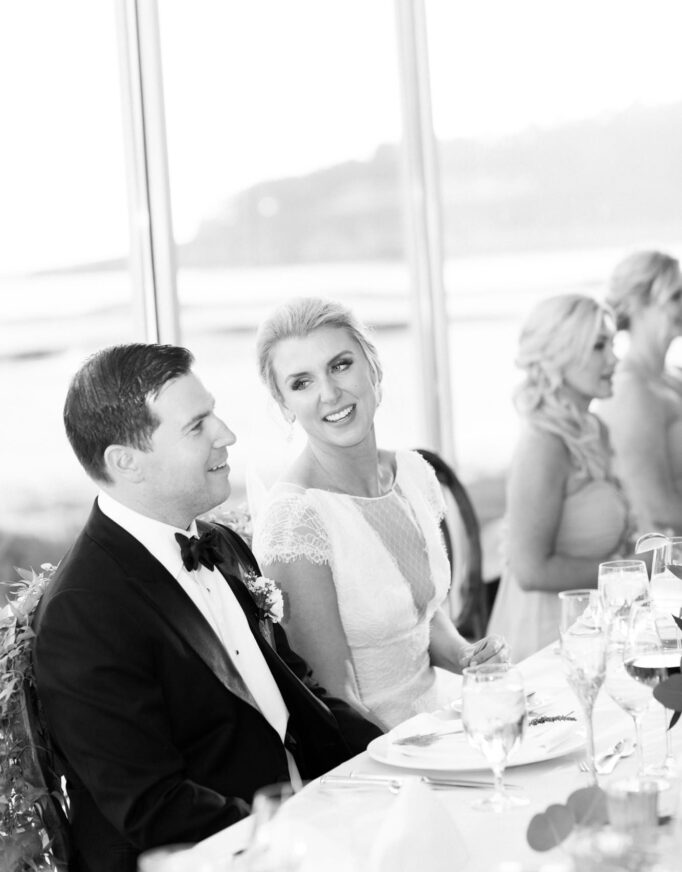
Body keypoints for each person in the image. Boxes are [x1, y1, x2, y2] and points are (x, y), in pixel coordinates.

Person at [32, 344, 380, 872]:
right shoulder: (84, 612)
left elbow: (297, 690)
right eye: (197, 426)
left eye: (213, 412)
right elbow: (152, 806)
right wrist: (304, 832)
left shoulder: (218, 543)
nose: (227, 434)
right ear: (126, 462)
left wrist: (394, 760)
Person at [252, 296, 506, 731]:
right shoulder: (297, 520)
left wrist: (465, 657)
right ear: (284, 406)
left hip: (444, 719)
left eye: (340, 365)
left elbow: (417, 616)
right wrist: (429, 755)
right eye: (301, 383)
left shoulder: (412, 474)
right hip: (376, 755)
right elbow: (334, 701)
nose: (329, 394)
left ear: (374, 367)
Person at [487, 294, 633, 661]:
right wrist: (629, 572)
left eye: (612, 344)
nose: (614, 358)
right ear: (560, 356)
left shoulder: (595, 429)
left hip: (598, 623)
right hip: (547, 636)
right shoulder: (544, 445)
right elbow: (530, 570)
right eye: (598, 346)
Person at [598, 249, 682, 533]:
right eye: (675, 297)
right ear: (637, 305)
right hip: (662, 559)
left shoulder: (669, 379)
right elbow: (655, 508)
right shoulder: (631, 392)